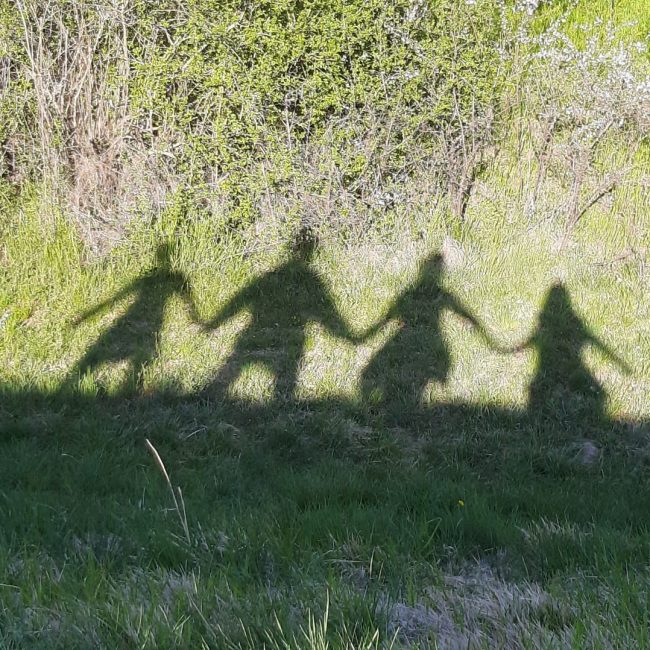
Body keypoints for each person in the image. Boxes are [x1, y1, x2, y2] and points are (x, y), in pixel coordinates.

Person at [202, 230, 359, 402]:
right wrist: (348, 336)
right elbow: (326, 313)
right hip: (292, 339)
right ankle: (279, 407)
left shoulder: (271, 276)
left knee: (224, 378)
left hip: (253, 332)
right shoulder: (312, 281)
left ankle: (204, 401)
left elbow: (240, 300)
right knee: (284, 390)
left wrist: (215, 322)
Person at [360, 252, 493, 410]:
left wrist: (363, 337)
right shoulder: (419, 295)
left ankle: (401, 410)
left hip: (419, 344)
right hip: (417, 344)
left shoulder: (424, 295)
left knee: (410, 383)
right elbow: (387, 318)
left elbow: (387, 319)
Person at [69, 241, 200, 394]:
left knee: (126, 355)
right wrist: (196, 320)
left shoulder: (155, 276)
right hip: (151, 322)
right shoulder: (173, 277)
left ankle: (122, 391)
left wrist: (86, 316)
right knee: (138, 356)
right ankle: (124, 391)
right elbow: (187, 301)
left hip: (145, 321)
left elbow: (116, 298)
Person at [512, 282, 630, 422]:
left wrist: (620, 363)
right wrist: (620, 363)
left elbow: (595, 341)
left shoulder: (546, 322)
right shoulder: (569, 322)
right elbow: (595, 341)